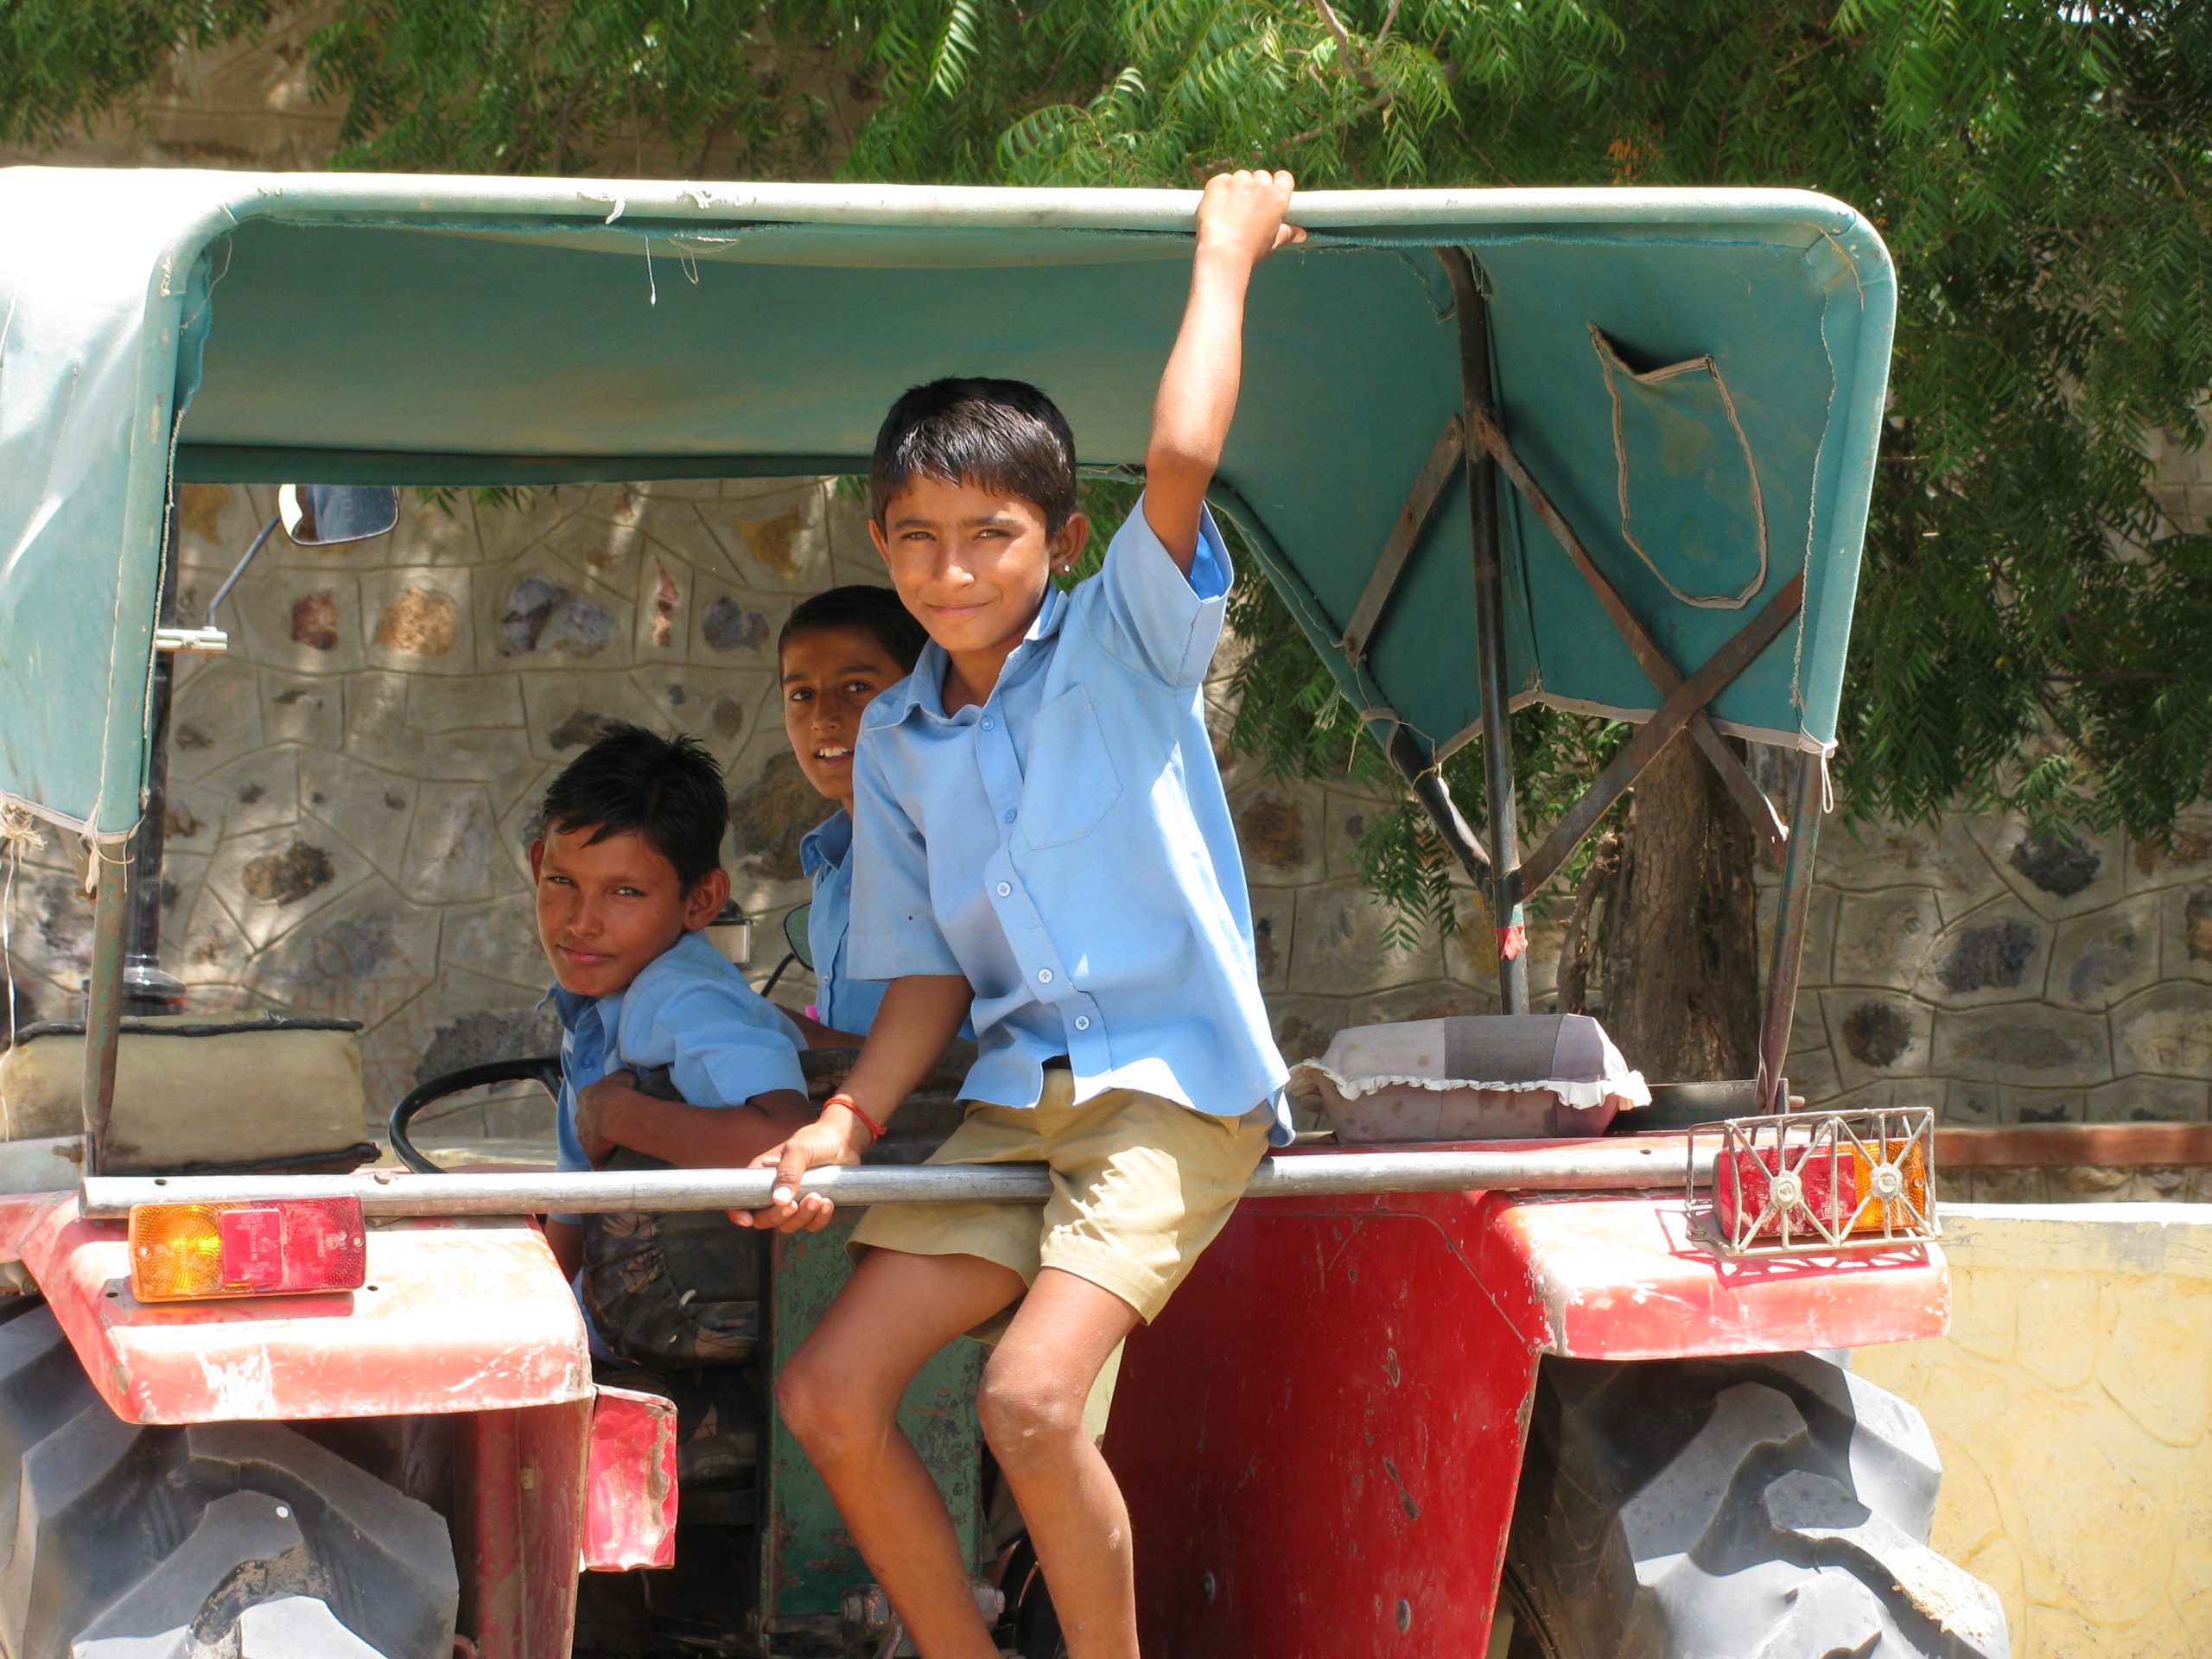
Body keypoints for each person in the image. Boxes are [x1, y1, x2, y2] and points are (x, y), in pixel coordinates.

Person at [743, 169, 1304, 1659]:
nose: (949, 571)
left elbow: (1183, 449)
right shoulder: (901, 744)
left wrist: (1224, 252)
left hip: (1169, 1098)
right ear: (882, 540)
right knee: (826, 1396)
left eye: (989, 534)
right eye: (915, 539)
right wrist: (842, 1128)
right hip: (1018, 1110)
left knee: (1029, 1401)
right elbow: (926, 974)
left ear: (1058, 540)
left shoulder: (1125, 642)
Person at [533, 721, 810, 1286]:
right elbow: (571, 1209)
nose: (581, 922)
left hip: (714, 1320)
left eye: (625, 892)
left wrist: (622, 1117)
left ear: (702, 899)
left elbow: (785, 1136)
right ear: (538, 864)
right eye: (562, 880)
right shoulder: (593, 1006)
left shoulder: (680, 996)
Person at [777, 585, 930, 1046]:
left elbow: (969, 1049)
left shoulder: (945, 850)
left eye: (858, 688)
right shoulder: (828, 862)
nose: (823, 716)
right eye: (802, 694)